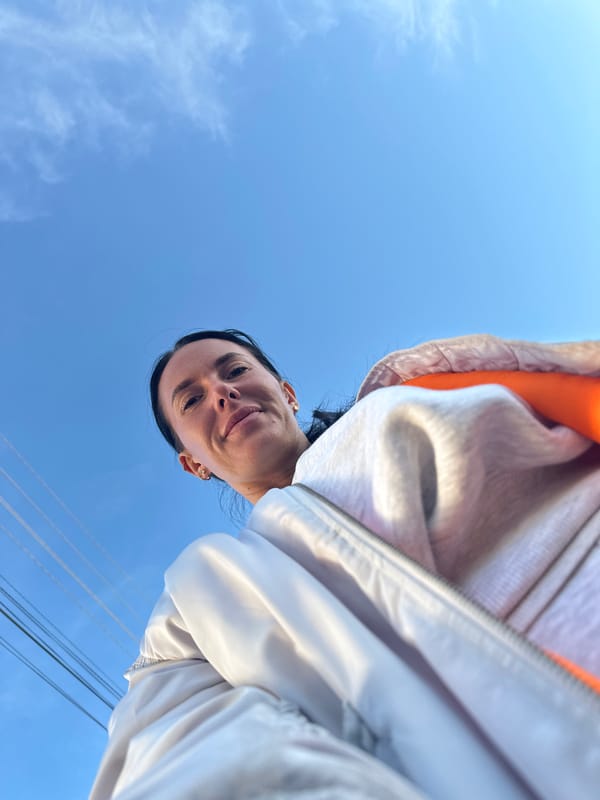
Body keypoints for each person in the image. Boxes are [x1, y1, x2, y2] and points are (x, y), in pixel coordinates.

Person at [92, 329, 600, 800]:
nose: (222, 393)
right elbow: (174, 746)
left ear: (286, 392)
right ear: (193, 463)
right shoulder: (200, 606)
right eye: (193, 399)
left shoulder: (417, 395)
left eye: (234, 371)